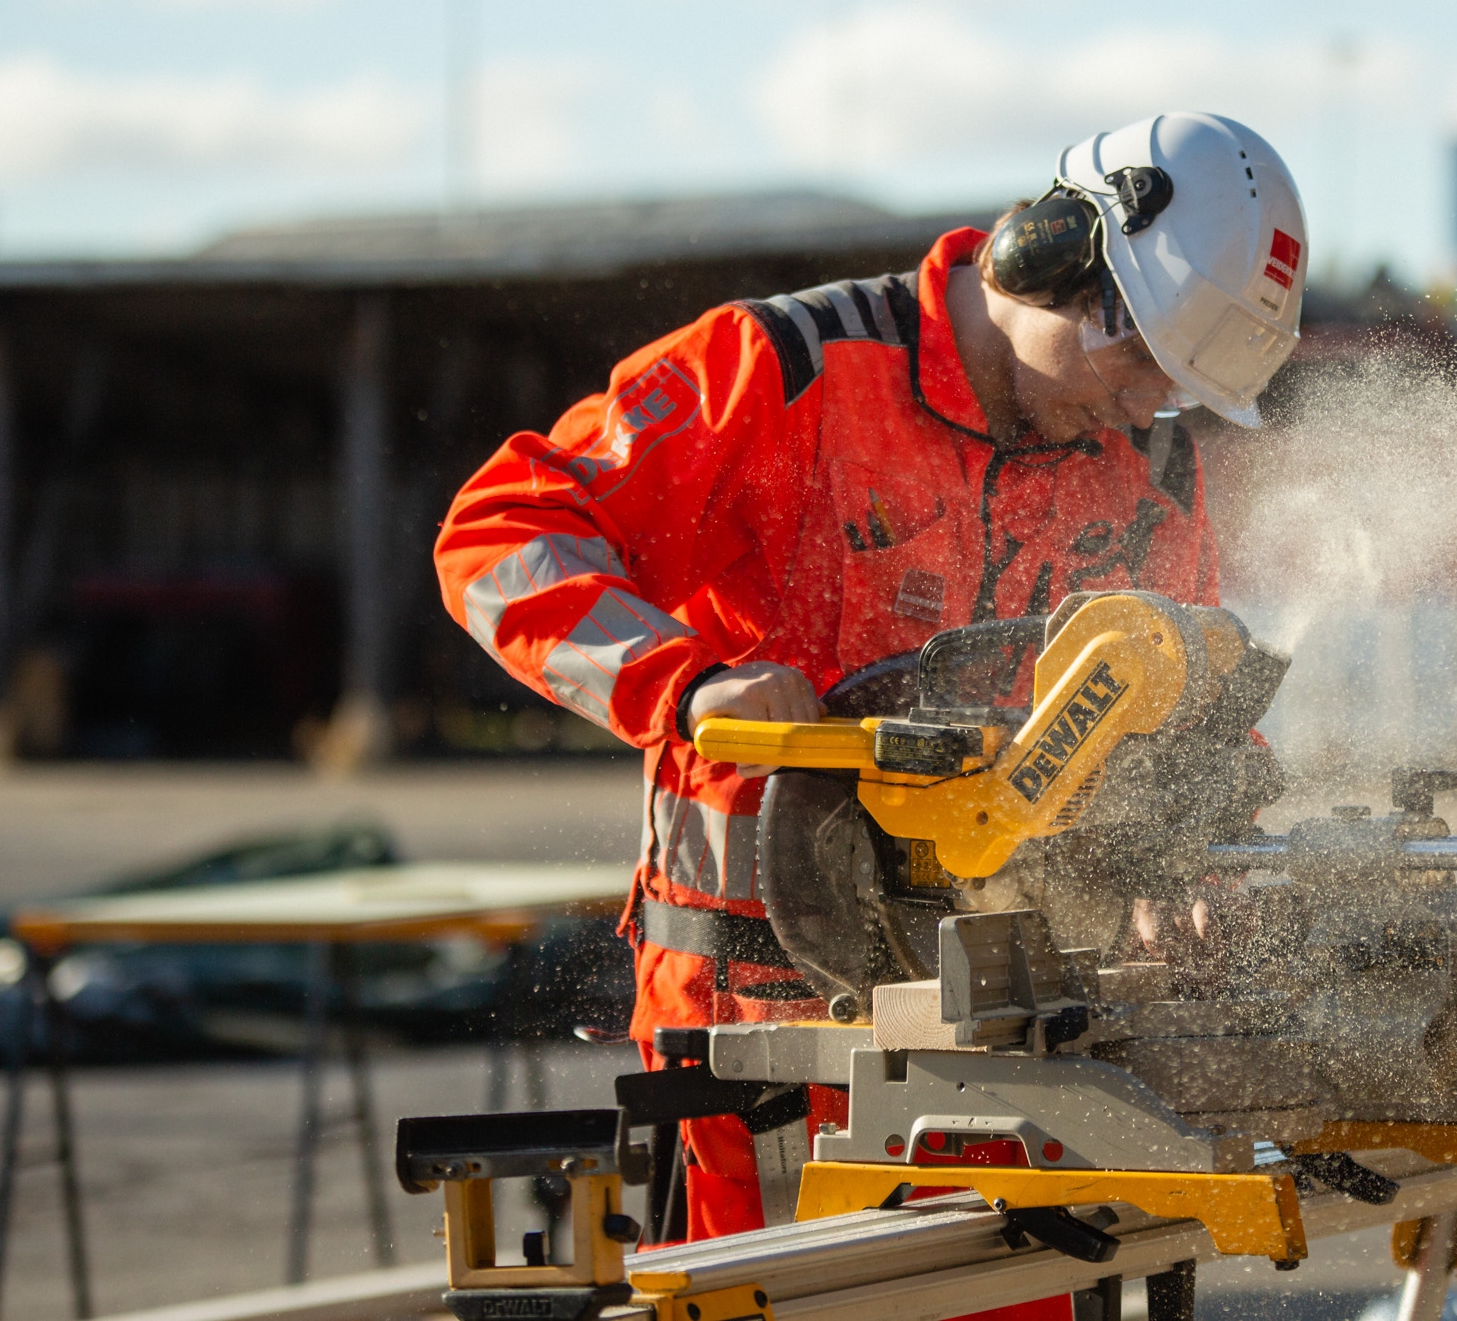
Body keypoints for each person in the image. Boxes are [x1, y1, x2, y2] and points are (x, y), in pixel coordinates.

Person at [433, 110, 1309, 1253]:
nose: (1145, 401)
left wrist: (1193, 856)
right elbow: (498, 539)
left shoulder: (1140, 462)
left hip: (1010, 1034)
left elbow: (1178, 694)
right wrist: (687, 681)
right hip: (754, 1029)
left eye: (1174, 384)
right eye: (1140, 357)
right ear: (1051, 257)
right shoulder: (785, 371)